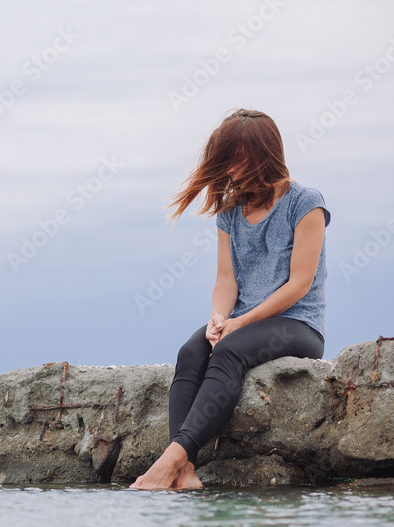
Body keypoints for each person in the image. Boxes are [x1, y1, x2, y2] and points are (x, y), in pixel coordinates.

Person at [130, 108, 330, 490]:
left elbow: (299, 285)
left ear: (262, 154)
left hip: (299, 324)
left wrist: (240, 324)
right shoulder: (231, 211)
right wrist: (219, 318)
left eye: (235, 159)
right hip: (242, 321)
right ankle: (186, 472)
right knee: (192, 351)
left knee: (229, 351)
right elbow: (225, 280)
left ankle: (171, 459)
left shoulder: (307, 203)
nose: (230, 169)